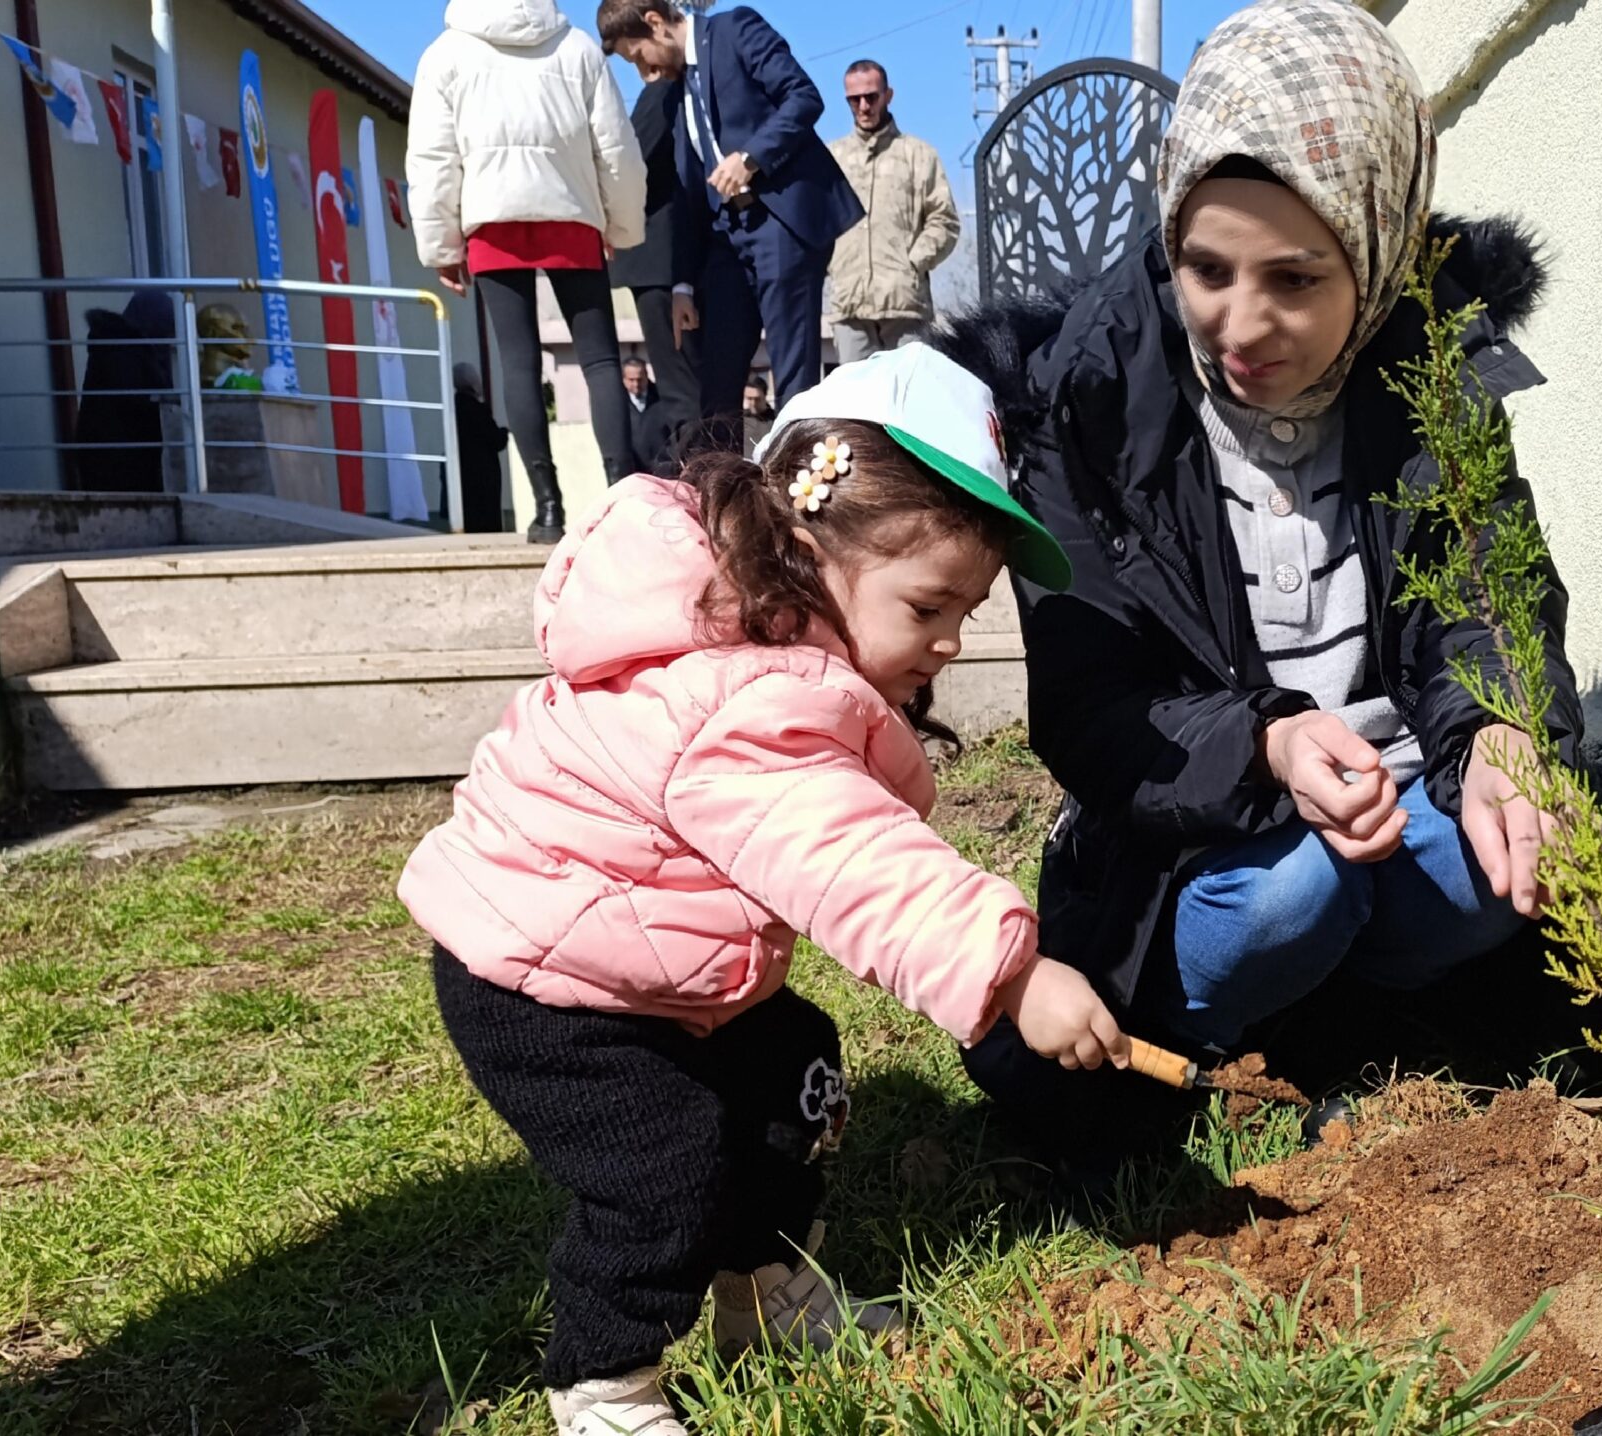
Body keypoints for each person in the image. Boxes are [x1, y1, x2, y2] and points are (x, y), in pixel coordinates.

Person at [395, 342, 1121, 1436]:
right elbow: (847, 853)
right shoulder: (744, 692)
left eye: (968, 610)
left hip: (649, 960)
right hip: (546, 980)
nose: (950, 639)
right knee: (664, 1162)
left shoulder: (769, 649)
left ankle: (764, 1293)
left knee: (793, 1074)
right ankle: (603, 1379)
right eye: (928, 604)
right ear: (803, 545)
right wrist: (1010, 972)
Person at [939, 0, 1582, 1161]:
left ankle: (1355, 1017)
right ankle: (1205, 1032)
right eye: (1207, 267)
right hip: (1208, 838)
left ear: (1379, 249)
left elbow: (1490, 590)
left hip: (1400, 800)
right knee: (1294, 896)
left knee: (1529, 841)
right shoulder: (1087, 402)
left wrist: (1497, 730)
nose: (1244, 324)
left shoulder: (1432, 374)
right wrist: (1268, 745)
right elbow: (1095, 706)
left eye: (1296, 276)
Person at [409, 0, 646, 543]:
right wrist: (622, 225)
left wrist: (441, 245)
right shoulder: (578, 48)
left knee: (518, 363)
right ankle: (620, 498)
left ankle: (547, 510)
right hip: (573, 212)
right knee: (602, 360)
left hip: (492, 219)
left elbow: (432, 158)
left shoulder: (444, 54)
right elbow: (616, 148)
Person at [596, 0, 863, 424]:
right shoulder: (675, 90)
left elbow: (803, 97)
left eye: (640, 57)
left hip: (780, 219)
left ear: (655, 24)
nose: (645, 73)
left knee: (792, 373)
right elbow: (687, 190)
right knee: (717, 380)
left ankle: (797, 482)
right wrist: (683, 284)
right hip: (725, 236)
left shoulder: (735, 30)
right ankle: (718, 487)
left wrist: (751, 157)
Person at [826, 59, 959, 362]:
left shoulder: (918, 155)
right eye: (854, 99)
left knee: (910, 400)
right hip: (849, 305)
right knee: (855, 405)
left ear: (888, 95)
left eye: (871, 97)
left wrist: (913, 263)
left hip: (905, 306)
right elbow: (817, 223)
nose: (863, 106)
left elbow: (944, 220)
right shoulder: (832, 158)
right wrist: (833, 266)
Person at [614, 72, 702, 444]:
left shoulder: (664, 90)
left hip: (662, 261)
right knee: (697, 382)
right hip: (688, 257)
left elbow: (631, 164)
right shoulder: (698, 90)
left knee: (680, 387)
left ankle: (696, 483)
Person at [71, 290, 176, 492]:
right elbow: (138, 399)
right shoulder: (123, 348)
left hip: (114, 450)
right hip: (117, 454)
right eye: (167, 326)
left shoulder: (124, 344)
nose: (170, 336)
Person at [451, 361, 511, 531]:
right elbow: (495, 439)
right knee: (486, 516)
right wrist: (505, 432)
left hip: (463, 471)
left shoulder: (454, 406)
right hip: (483, 473)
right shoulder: (476, 408)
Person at [621, 355, 676, 473]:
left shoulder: (663, 398)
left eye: (639, 379)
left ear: (646, 376)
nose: (636, 384)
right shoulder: (618, 404)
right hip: (633, 472)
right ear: (624, 379)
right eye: (631, 380)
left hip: (662, 469)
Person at [741, 371, 775, 454]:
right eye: (749, 399)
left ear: (765, 396)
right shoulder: (739, 420)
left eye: (757, 399)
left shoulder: (776, 419)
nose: (753, 403)